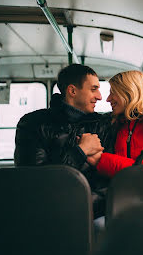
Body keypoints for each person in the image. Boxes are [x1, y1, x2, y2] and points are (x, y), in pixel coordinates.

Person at [14, 64, 115, 218]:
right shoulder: (33, 124)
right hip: (47, 214)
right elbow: (34, 180)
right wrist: (79, 151)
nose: (100, 96)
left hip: (93, 212)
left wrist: (82, 208)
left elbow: (105, 181)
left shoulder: (102, 125)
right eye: (93, 89)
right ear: (72, 91)